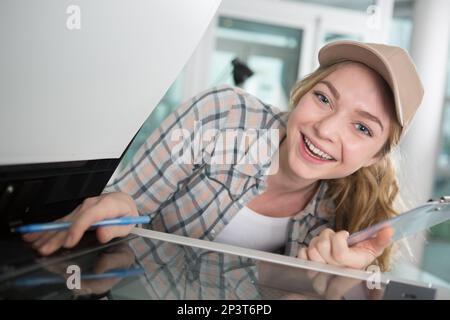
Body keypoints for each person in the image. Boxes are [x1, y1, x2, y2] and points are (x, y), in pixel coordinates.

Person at [24, 40, 424, 272]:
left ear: (376, 156)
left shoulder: (342, 222)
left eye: (362, 128)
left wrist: (334, 287)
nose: (325, 129)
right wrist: (118, 203)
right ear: (302, 93)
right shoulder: (223, 115)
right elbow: (132, 199)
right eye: (323, 98)